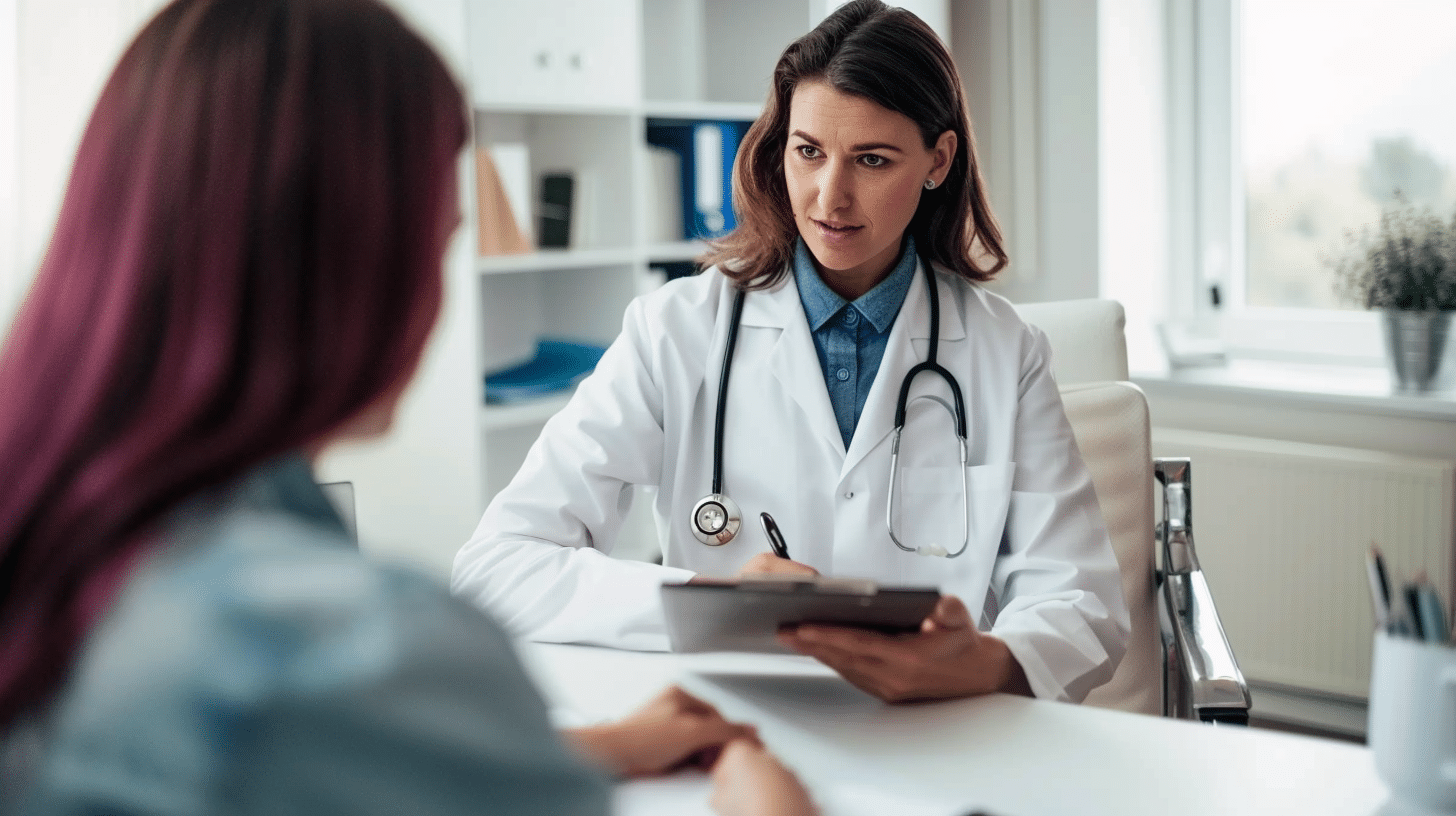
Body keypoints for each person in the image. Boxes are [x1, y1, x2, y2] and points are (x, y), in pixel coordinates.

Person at [0, 1, 817, 813]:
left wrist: (588, 747)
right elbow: (340, 698)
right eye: (444, 236)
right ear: (361, 265)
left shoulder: (57, 553)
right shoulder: (359, 648)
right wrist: (767, 803)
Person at [453, 0, 1130, 705]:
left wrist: (982, 663)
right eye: (809, 151)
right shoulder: (674, 331)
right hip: (740, 726)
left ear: (938, 160)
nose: (829, 196)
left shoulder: (1003, 350)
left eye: (872, 159)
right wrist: (712, 601)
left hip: (937, 725)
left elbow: (1082, 601)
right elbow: (496, 568)